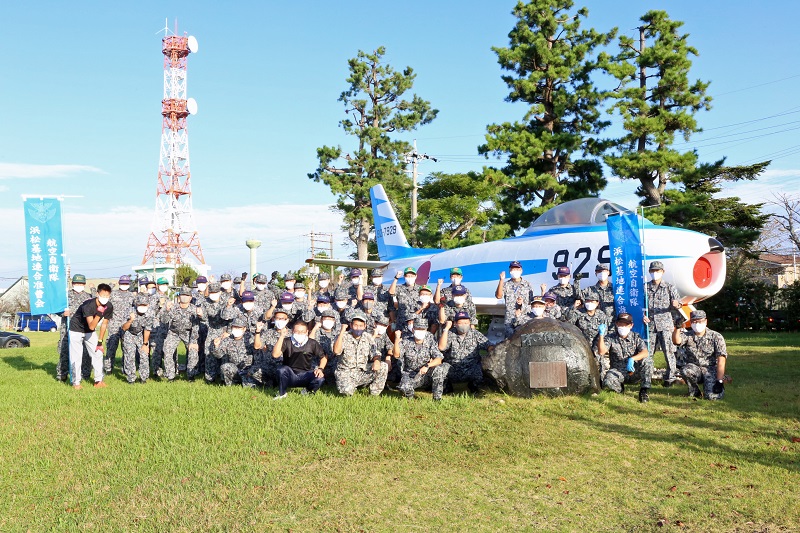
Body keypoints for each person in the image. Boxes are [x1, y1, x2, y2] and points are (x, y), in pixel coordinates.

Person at [672, 310, 728, 400]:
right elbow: (676, 341)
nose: (697, 324)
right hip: (694, 368)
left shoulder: (716, 336)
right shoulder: (688, 335)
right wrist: (677, 328)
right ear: (691, 322)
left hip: (710, 369)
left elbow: (721, 359)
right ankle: (694, 391)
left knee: (712, 397)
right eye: (694, 321)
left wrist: (720, 381)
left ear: (706, 321)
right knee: (685, 370)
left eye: (699, 321)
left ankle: (711, 388)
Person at [597, 313, 652, 403]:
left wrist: (633, 359)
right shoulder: (610, 338)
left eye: (626, 324)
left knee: (648, 361)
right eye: (620, 324)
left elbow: (645, 352)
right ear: (617, 324)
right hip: (618, 371)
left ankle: (643, 391)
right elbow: (602, 351)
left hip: (633, 370)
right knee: (608, 380)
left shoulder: (635, 337)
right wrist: (601, 335)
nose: (623, 326)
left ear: (631, 325)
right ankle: (619, 389)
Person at [68, 283, 114, 389]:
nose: (105, 298)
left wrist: (100, 342)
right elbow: (92, 326)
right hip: (76, 329)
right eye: (103, 295)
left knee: (98, 353)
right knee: (77, 356)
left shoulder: (109, 306)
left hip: (89, 332)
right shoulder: (88, 305)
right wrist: (98, 313)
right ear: (97, 294)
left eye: (107, 296)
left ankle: (98, 380)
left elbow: (104, 324)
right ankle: (76, 383)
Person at [644, 261, 682, 386]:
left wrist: (677, 304)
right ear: (650, 272)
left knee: (669, 351)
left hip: (665, 324)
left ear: (663, 272)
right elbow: (639, 305)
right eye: (653, 271)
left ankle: (669, 378)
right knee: (648, 352)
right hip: (649, 325)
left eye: (658, 271)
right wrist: (642, 315)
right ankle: (646, 376)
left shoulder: (669, 287)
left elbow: (678, 303)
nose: (655, 273)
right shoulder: (644, 287)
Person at [393, 318, 450, 401]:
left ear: (426, 330)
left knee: (439, 369)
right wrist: (396, 340)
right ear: (413, 330)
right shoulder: (406, 342)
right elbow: (396, 355)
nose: (420, 331)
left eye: (422, 329)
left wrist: (427, 366)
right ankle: (410, 397)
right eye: (418, 329)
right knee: (404, 388)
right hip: (411, 374)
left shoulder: (430, 342)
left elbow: (439, 359)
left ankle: (437, 398)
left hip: (426, 374)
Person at [333, 312, 388, 396]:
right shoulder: (343, 336)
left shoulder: (368, 337)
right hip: (346, 373)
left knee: (383, 366)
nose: (358, 328)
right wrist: (342, 332)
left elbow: (375, 353)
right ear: (351, 325)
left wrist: (377, 361)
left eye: (361, 326)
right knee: (346, 392)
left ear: (365, 326)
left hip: (362, 371)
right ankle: (350, 386)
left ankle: (374, 394)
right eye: (355, 325)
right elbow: (336, 351)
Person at [271, 321, 327, 399]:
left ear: (307, 332)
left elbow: (323, 358)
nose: (299, 333)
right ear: (293, 331)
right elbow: (275, 355)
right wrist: (281, 337)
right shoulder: (286, 341)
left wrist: (320, 369)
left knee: (320, 378)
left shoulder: (312, 343)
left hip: (306, 374)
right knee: (281, 370)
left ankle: (307, 391)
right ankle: (282, 393)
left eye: (302, 332)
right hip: (290, 374)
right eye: (297, 331)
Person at [438, 311, 489, 393]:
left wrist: (492, 349)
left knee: (480, 369)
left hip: (470, 368)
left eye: (466, 323)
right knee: (440, 369)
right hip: (452, 368)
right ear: (455, 323)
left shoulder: (475, 334)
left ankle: (474, 387)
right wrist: (446, 329)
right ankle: (446, 387)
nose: (464, 325)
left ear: (469, 323)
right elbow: (441, 347)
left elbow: (488, 345)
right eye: (461, 323)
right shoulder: (450, 333)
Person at [565, 289, 611, 378]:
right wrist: (573, 307)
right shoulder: (579, 313)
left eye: (592, 301)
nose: (589, 303)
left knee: (598, 362)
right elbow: (569, 324)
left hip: (596, 343)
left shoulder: (601, 315)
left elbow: (603, 333)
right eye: (587, 301)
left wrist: (595, 348)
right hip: (581, 343)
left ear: (597, 303)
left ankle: (599, 380)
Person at [159, 286, 202, 381]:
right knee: (167, 350)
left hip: (188, 333)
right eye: (183, 295)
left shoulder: (195, 309)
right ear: (179, 297)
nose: (184, 297)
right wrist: (166, 310)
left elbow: (196, 326)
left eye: (187, 295)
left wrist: (193, 341)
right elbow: (164, 320)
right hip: (174, 332)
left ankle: (191, 375)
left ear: (191, 298)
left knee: (193, 351)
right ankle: (171, 376)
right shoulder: (173, 307)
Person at [56, 273, 91, 382]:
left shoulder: (88, 297)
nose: (78, 285)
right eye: (76, 283)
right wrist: (62, 312)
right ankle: (62, 373)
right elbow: (56, 308)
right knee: (65, 350)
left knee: (85, 352)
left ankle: (85, 374)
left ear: (84, 284)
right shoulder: (65, 296)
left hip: (83, 329)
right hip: (67, 328)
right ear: (72, 284)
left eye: (81, 283)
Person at [213, 317, 256, 387]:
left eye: (239, 328)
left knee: (250, 387)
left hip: (248, 370)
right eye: (235, 327)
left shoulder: (250, 339)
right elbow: (219, 355)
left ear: (244, 329)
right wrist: (216, 346)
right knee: (225, 367)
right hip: (234, 369)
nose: (236, 329)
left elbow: (257, 354)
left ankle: (246, 381)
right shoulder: (227, 340)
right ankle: (232, 384)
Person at [104, 274, 135, 373]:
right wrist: (111, 285)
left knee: (126, 348)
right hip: (114, 324)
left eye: (126, 283)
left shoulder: (132, 295)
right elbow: (103, 295)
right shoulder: (113, 294)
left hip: (127, 325)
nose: (124, 285)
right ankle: (108, 368)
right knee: (111, 347)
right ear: (119, 283)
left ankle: (125, 369)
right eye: (122, 283)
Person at [120, 294, 153, 384]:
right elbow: (124, 328)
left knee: (144, 355)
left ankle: (143, 378)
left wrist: (145, 344)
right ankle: (131, 378)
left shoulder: (150, 313)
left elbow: (147, 329)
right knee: (129, 356)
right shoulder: (130, 311)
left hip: (141, 334)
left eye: (144, 305)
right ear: (136, 305)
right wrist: (130, 320)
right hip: (129, 333)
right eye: (140, 305)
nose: (142, 307)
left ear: (148, 305)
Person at [496, 261, 534, 336]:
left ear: (521, 270)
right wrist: (501, 280)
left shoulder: (527, 284)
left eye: (517, 269)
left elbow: (531, 302)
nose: (515, 271)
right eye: (513, 269)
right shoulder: (506, 284)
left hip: (523, 317)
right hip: (510, 318)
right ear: (510, 270)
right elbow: (499, 296)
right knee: (509, 341)